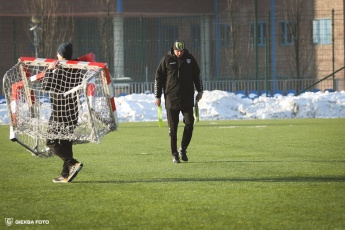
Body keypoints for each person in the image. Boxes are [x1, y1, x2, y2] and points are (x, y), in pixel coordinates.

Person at [154, 40, 203, 163]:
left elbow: (197, 75)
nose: (179, 53)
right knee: (173, 128)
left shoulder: (190, 59)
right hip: (171, 99)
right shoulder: (166, 59)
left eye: (181, 51)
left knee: (190, 123)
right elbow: (158, 78)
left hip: (187, 98)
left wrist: (200, 91)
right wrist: (157, 96)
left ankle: (183, 149)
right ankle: (174, 154)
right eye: (177, 51)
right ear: (173, 50)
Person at [43, 42, 83, 183]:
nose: (56, 55)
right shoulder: (77, 69)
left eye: (58, 53)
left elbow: (46, 86)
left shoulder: (59, 70)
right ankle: (66, 174)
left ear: (61, 55)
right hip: (73, 111)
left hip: (60, 111)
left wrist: (49, 70)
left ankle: (72, 163)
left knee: (50, 141)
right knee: (66, 143)